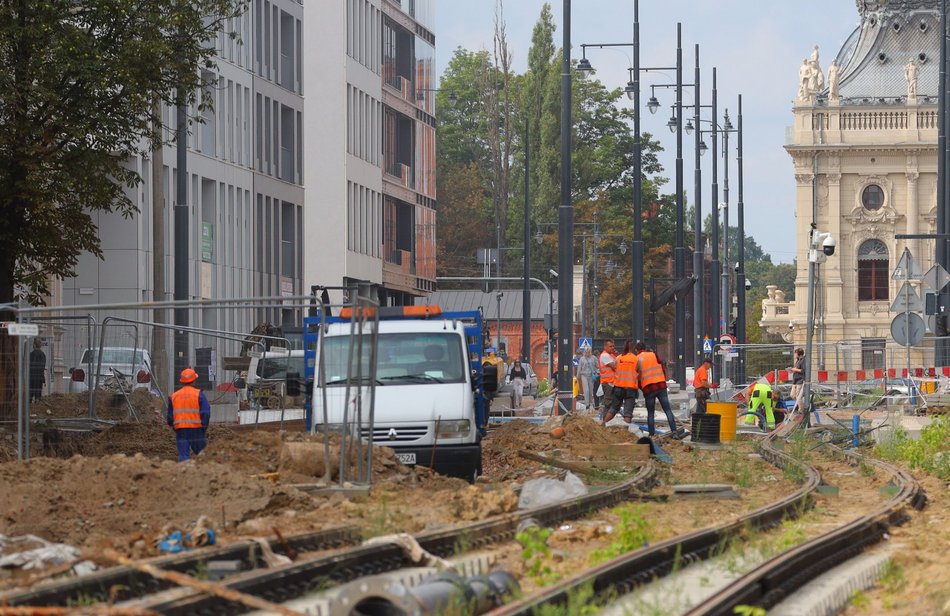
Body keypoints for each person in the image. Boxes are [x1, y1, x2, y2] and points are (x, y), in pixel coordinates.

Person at [635, 342, 681, 437]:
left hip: (648, 388)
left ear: (637, 350)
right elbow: (662, 367)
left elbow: (637, 376)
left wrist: (641, 387)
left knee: (650, 412)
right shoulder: (653, 354)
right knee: (667, 409)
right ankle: (674, 431)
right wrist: (663, 379)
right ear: (645, 348)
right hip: (660, 385)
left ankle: (652, 434)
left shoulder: (637, 359)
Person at [167, 368, 211, 462]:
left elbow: (170, 418)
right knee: (202, 455)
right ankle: (205, 474)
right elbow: (206, 413)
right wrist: (204, 427)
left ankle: (184, 474)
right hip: (196, 430)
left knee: (183, 456)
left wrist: (174, 426)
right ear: (194, 381)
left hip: (181, 430)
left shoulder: (174, 396)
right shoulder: (199, 394)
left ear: (182, 382)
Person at [603, 340, 639, 424]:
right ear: (633, 348)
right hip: (630, 388)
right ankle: (626, 433)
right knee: (628, 413)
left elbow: (615, 367)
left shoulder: (618, 357)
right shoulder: (636, 359)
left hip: (618, 387)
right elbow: (639, 372)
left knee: (613, 409)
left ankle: (603, 425)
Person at [598, 340, 618, 421]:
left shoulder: (611, 355)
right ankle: (604, 421)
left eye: (613, 346)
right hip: (608, 383)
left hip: (612, 382)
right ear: (605, 347)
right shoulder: (605, 355)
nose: (612, 348)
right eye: (610, 346)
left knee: (611, 402)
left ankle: (606, 421)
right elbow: (615, 366)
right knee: (608, 402)